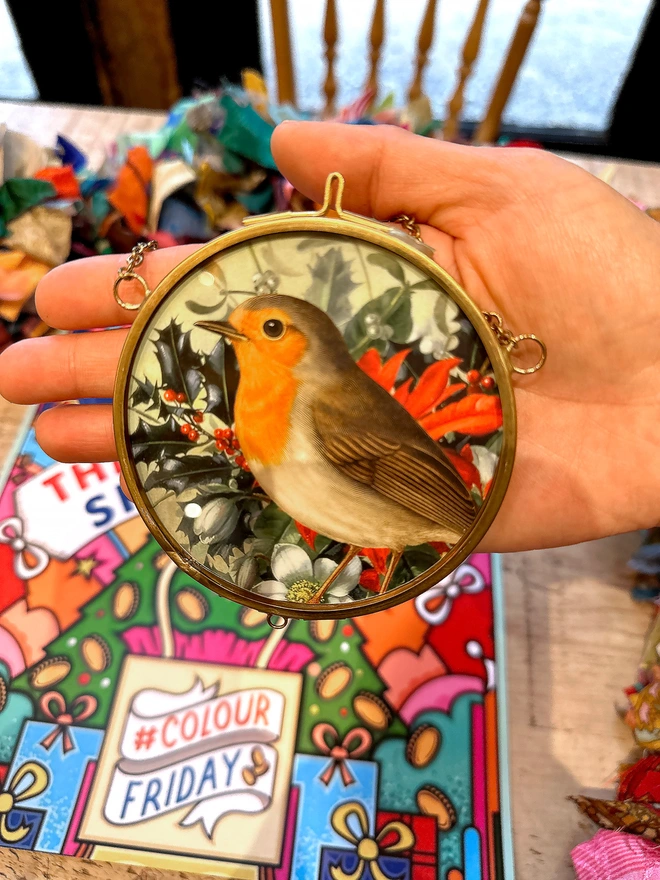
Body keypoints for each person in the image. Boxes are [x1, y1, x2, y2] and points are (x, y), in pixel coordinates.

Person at [0, 121, 658, 553]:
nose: (238, 336)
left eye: (270, 330)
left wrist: (462, 524)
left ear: (309, 348)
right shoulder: (266, 399)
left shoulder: (315, 403)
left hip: (413, 506)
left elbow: (409, 479)